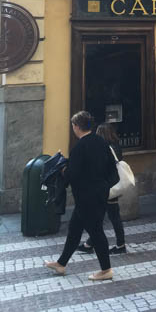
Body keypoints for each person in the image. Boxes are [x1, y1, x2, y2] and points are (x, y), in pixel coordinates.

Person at [44, 111, 118, 281]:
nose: (72, 128)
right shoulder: (101, 142)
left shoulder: (79, 147)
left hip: (86, 197)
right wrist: (104, 185)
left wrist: (63, 168)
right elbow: (111, 169)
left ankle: (106, 270)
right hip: (99, 193)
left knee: (96, 232)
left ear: (77, 127)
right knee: (75, 230)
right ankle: (61, 264)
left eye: (73, 125)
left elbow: (72, 175)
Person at [77, 123, 126, 255]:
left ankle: (120, 246)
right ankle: (90, 244)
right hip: (112, 186)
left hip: (107, 187)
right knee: (104, 216)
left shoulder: (106, 148)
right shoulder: (116, 146)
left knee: (110, 217)